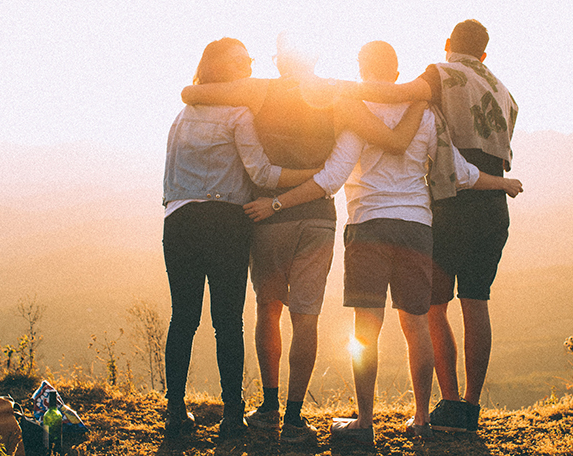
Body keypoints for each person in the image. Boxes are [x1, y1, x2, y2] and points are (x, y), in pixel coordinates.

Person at [243, 40, 521, 445]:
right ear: (396, 72)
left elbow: (332, 178)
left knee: (365, 331)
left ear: (361, 68)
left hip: (368, 226)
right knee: (416, 326)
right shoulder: (425, 114)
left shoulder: (356, 112)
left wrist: (278, 201)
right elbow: (460, 172)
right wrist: (503, 183)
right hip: (416, 228)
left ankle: (365, 422)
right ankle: (422, 419)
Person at [180, 33, 425, 443]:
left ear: (279, 62)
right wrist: (420, 99)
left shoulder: (258, 92)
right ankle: (294, 417)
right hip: (317, 218)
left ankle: (269, 405)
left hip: (267, 215)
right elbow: (393, 140)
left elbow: (192, 93)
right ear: (315, 57)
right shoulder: (337, 97)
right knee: (305, 317)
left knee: (268, 308)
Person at [343, 20, 521, 432]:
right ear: (485, 54)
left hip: (451, 200)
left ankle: (449, 403)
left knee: (433, 308)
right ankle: (470, 409)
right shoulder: (505, 92)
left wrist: (337, 90)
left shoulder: (441, 74)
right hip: (492, 203)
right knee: (476, 302)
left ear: (447, 45)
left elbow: (396, 93)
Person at [161, 37, 319, 440]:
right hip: (225, 222)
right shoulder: (238, 114)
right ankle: (232, 415)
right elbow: (263, 175)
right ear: (222, 68)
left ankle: (175, 413)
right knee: (227, 322)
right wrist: (314, 176)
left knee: (183, 318)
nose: (249, 64)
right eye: (241, 60)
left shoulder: (182, 115)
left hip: (178, 221)